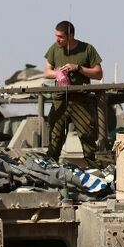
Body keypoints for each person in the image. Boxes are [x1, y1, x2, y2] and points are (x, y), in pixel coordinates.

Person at [43, 21, 103, 167]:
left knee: (87, 135)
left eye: (61, 37)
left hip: (80, 100)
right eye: (56, 36)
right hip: (60, 99)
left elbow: (98, 73)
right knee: (55, 137)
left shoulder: (87, 49)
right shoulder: (54, 49)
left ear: (70, 36)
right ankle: (50, 168)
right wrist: (57, 74)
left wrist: (78, 68)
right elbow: (46, 71)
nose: (57, 40)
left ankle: (92, 167)